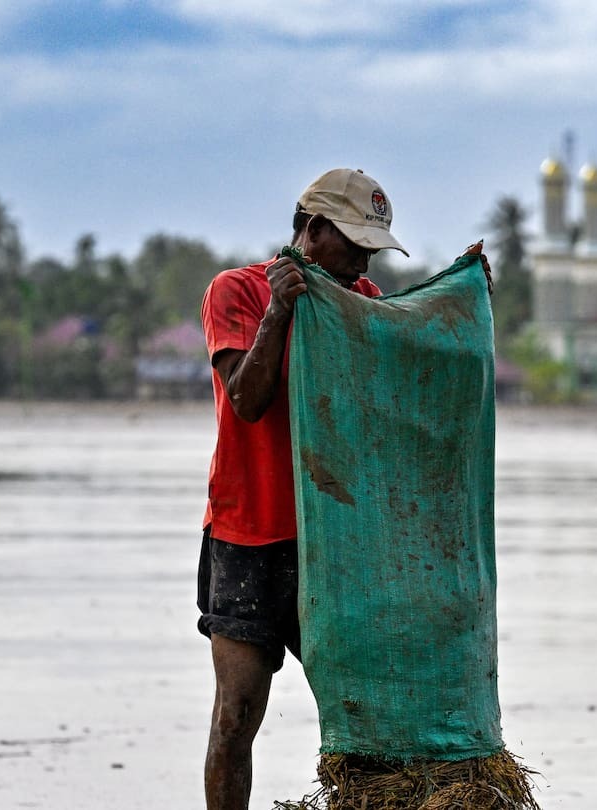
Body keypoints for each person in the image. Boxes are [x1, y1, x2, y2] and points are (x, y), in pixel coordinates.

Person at [197, 168, 490, 809]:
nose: (361, 259)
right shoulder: (237, 292)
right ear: (313, 228)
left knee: (375, 711)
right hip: (250, 534)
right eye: (352, 241)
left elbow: (406, 380)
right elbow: (246, 401)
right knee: (235, 716)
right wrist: (282, 308)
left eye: (369, 248)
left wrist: (460, 303)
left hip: (340, 541)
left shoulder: (361, 297)